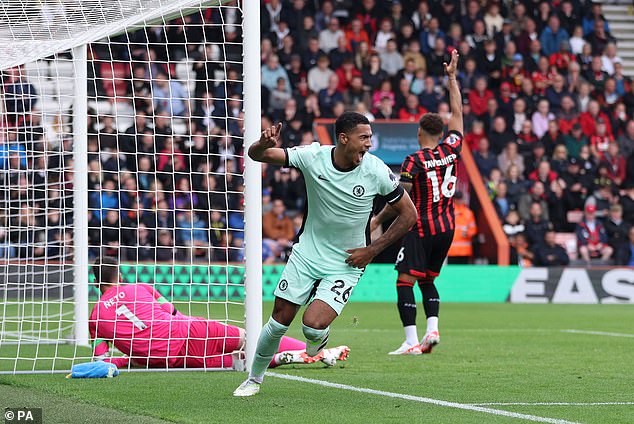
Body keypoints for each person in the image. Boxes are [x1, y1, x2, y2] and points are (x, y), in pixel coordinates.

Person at [233, 112, 417, 396]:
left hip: (347, 261)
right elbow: (257, 155)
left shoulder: (376, 170)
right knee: (279, 319)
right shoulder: (312, 156)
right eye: (364, 137)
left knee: (313, 326)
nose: (369, 143)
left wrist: (371, 250)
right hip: (307, 253)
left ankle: (318, 341)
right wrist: (261, 142)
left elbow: (409, 215)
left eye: (370, 137)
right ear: (344, 138)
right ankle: (254, 379)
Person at [89, 257, 349, 370]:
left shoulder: (96, 316)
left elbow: (101, 357)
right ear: (120, 275)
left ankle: (284, 359)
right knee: (249, 337)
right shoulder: (139, 287)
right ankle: (318, 351)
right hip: (184, 331)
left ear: (95, 282)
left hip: (164, 359)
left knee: (237, 361)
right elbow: (172, 311)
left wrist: (123, 361)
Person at [372, 50, 463, 356]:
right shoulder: (452, 148)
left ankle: (411, 341)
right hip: (447, 226)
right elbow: (458, 115)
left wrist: (378, 219)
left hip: (420, 227)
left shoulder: (414, 160)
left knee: (404, 281)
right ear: (443, 133)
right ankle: (433, 328)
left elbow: (402, 198)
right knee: (428, 280)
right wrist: (452, 78)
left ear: (420, 131)